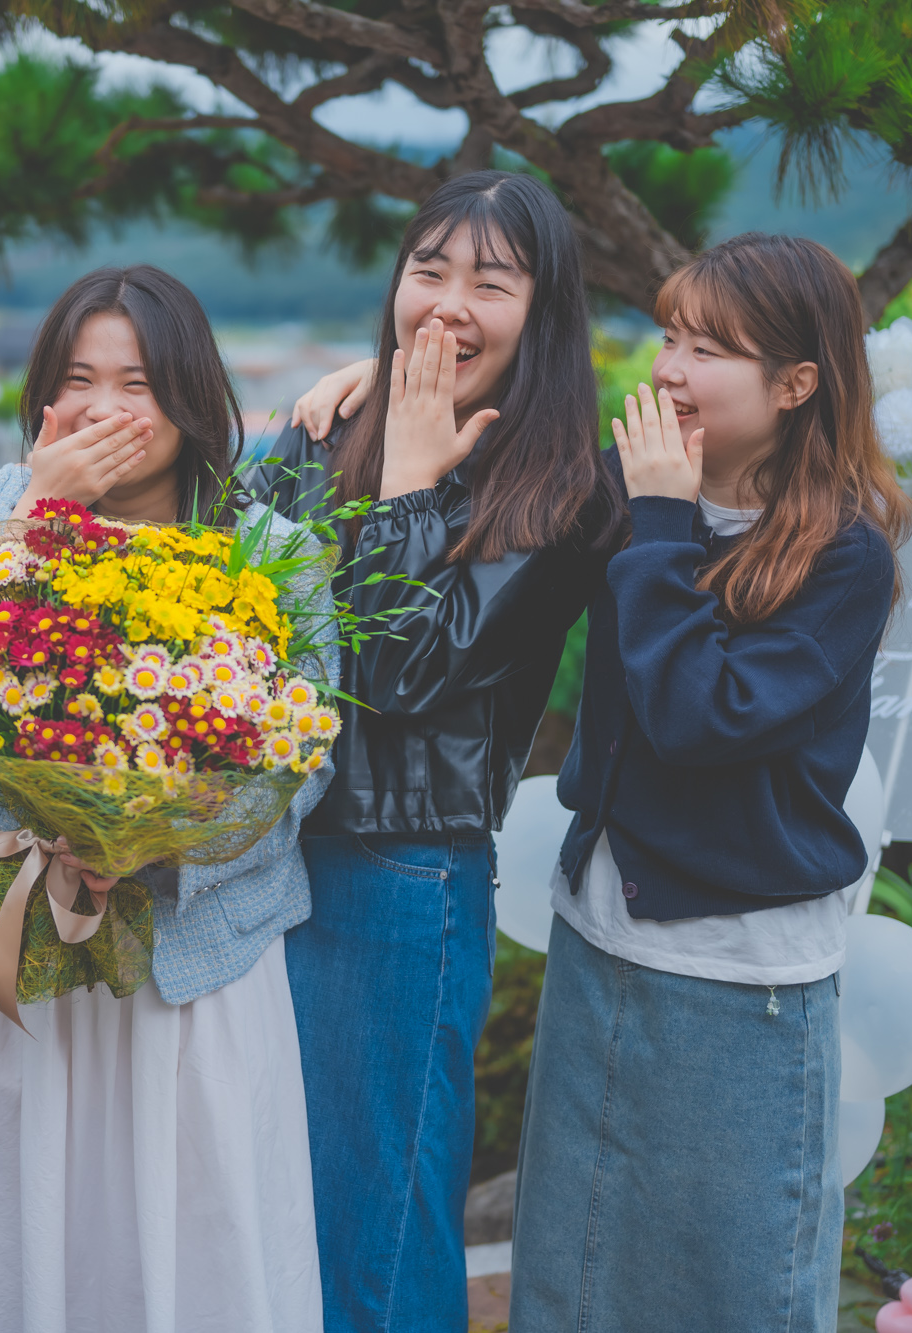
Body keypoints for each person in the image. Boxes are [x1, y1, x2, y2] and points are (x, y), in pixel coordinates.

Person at [0, 264, 333, 1333]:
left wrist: (158, 844)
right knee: (33, 1227)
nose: (105, 409)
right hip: (39, 952)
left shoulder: (272, 553)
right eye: (79, 380)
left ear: (190, 398)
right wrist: (40, 507)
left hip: (202, 968)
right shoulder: (6, 524)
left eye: (137, 383)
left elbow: (302, 767)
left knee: (202, 1230)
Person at [509, 233, 911, 1332]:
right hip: (598, 937)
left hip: (741, 976)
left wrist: (660, 520)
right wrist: (369, 391)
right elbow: (501, 504)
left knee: (732, 1288)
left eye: (709, 349)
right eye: (670, 337)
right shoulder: (630, 490)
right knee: (572, 1272)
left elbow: (700, 719)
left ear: (795, 384)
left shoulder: (843, 558)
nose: (669, 369)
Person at [252, 170, 621, 1331]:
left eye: (490, 282)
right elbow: (230, 611)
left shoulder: (563, 488)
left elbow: (400, 672)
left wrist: (409, 482)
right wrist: (338, 436)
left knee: (376, 1225)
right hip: (264, 862)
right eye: (429, 269)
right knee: (275, 1215)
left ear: (542, 313)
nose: (449, 303)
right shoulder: (331, 431)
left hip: (399, 878)